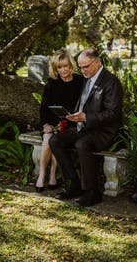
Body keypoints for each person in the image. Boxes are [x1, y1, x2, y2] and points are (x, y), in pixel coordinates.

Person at [49, 48, 123, 207]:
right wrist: (73, 116)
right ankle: (73, 184)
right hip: (84, 127)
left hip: (104, 131)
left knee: (82, 144)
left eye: (86, 66)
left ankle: (92, 192)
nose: (82, 70)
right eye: (80, 67)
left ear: (97, 62)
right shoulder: (86, 78)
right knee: (55, 140)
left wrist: (86, 117)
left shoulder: (111, 82)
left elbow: (113, 114)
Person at [35, 48, 83, 192]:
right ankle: (43, 174)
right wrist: (45, 124)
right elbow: (43, 107)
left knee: (58, 140)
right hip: (51, 123)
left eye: (65, 66)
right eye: (59, 67)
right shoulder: (52, 83)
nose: (63, 70)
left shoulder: (80, 81)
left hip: (72, 124)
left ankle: (52, 175)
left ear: (71, 66)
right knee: (48, 139)